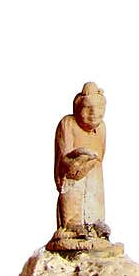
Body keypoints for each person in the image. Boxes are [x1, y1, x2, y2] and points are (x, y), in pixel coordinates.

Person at [50, 82, 109, 245]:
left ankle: (95, 224)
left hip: (94, 173)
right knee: (73, 189)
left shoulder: (102, 128)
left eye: (99, 109)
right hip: (73, 175)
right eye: (88, 108)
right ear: (78, 108)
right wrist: (78, 157)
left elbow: (101, 154)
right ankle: (71, 226)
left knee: (95, 190)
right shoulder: (68, 124)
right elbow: (63, 159)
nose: (94, 114)